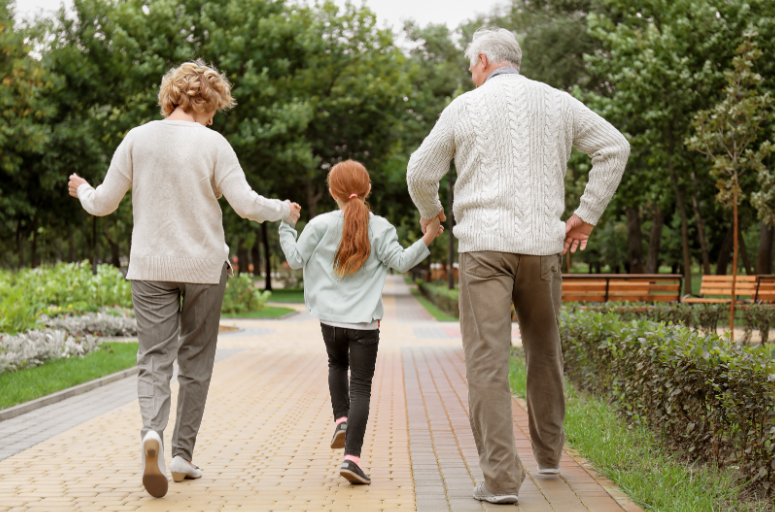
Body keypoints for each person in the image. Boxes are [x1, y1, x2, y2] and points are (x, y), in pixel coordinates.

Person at [406, 27, 630, 505]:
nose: (471, 74)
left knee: (487, 362)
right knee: (544, 352)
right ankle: (550, 456)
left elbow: (421, 171)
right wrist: (584, 214)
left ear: (484, 60)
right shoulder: (558, 102)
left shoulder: (464, 107)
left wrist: (430, 211)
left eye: (471, 66)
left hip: (483, 250)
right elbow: (615, 148)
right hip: (543, 247)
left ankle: (501, 482)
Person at [67, 59, 301, 498]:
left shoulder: (137, 138)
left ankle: (150, 433)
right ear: (205, 102)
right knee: (195, 362)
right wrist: (283, 210)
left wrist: (81, 188)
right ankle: (181, 455)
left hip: (150, 268)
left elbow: (102, 203)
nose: (215, 118)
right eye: (215, 108)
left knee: (154, 358)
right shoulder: (213, 144)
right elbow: (247, 204)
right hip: (203, 269)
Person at [278, 160, 441, 485]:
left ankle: (341, 419)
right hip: (365, 324)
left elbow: (295, 260)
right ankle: (351, 459)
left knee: (336, 365)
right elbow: (402, 263)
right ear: (367, 190)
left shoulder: (320, 224)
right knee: (362, 388)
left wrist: (287, 224)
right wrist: (430, 235)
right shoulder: (381, 227)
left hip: (330, 321)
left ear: (331, 191)